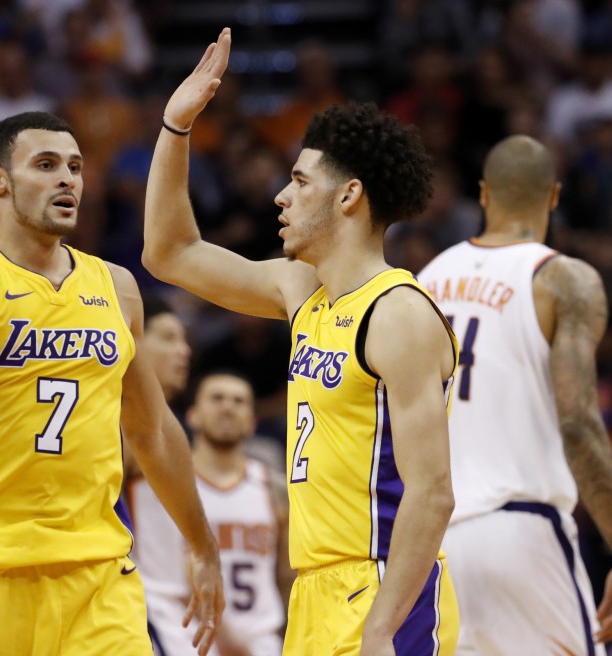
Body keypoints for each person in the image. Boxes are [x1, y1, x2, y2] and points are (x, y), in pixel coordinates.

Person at [0, 54, 223, 655]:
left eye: (75, 167)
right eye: (45, 166)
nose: (68, 179)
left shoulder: (115, 286)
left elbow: (152, 431)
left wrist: (203, 544)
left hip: (98, 579)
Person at [143, 28, 460, 656]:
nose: (281, 195)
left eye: (300, 181)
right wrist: (174, 128)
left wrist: (383, 627)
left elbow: (433, 492)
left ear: (349, 196)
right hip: (313, 595)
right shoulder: (300, 290)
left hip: (380, 588)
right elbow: (170, 252)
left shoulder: (399, 313)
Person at [417, 135, 612, 655]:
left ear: (483, 194)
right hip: (522, 528)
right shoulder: (563, 280)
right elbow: (579, 422)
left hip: (429, 545)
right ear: (554, 196)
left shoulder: (423, 282)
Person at [130, 371, 293, 656]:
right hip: (183, 639)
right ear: (192, 415)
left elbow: (286, 577)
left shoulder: (273, 488)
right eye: (216, 398)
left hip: (260, 643)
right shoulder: (161, 481)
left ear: (253, 422)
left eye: (239, 401)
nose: (228, 406)